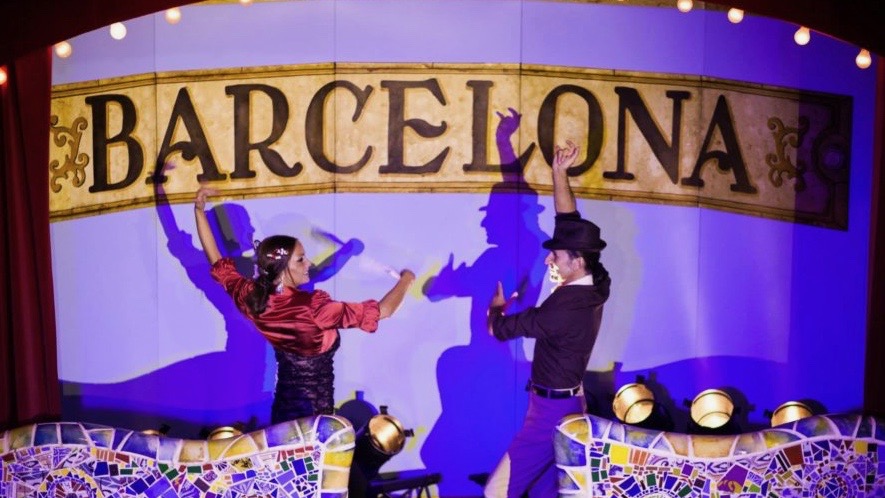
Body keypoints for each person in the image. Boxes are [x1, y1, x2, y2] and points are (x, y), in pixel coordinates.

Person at [193, 186, 416, 424]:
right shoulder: (315, 308)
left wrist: (198, 211)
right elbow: (384, 310)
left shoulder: (252, 298)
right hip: (314, 420)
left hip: (283, 414)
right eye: (301, 259)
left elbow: (217, 262)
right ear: (282, 269)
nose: (309, 263)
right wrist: (406, 280)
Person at [484, 140, 611, 498]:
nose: (548, 260)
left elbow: (499, 330)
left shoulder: (561, 310)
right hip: (568, 402)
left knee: (495, 492)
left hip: (550, 414)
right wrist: (559, 172)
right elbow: (568, 219)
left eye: (556, 256)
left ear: (577, 261)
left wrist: (496, 307)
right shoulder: (598, 282)